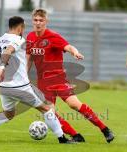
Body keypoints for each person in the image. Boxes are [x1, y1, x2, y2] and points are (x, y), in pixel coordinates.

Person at [0, 16, 73, 144]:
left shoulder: (2, 39)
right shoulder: (19, 39)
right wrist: (1, 68)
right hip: (20, 87)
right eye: (24, 27)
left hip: (4, 86)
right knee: (47, 108)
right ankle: (62, 139)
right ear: (20, 27)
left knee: (8, 114)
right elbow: (8, 51)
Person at [26, 9, 114, 143]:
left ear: (46, 21)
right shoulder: (30, 37)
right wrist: (23, 75)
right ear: (32, 21)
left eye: (41, 20)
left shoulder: (53, 36)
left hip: (58, 79)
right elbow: (29, 58)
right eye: (36, 20)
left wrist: (75, 53)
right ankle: (75, 135)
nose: (38, 23)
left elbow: (68, 46)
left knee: (74, 104)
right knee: (50, 113)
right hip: (43, 82)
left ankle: (104, 129)